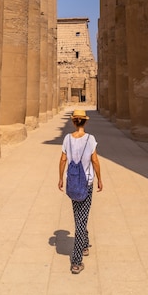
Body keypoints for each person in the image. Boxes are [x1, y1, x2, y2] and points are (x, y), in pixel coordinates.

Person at [58, 109, 103, 274]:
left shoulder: (67, 139)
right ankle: (77, 261)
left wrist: (61, 178)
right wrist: (100, 178)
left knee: (79, 215)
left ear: (73, 121)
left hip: (73, 183)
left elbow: (63, 159)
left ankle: (84, 243)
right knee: (81, 220)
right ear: (85, 121)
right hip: (87, 183)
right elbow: (95, 160)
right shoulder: (90, 139)